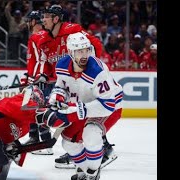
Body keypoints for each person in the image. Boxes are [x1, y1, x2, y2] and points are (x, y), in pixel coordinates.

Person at [37, 4, 116, 169]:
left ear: (56, 18)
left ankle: (103, 150)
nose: (42, 19)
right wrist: (45, 75)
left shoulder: (74, 31)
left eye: (46, 16)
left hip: (84, 78)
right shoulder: (44, 38)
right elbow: (50, 62)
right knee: (69, 113)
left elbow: (95, 47)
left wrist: (86, 70)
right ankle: (78, 149)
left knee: (86, 111)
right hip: (67, 78)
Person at [47, 32, 123, 180]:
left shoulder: (97, 71)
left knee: (91, 133)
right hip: (86, 105)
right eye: (79, 51)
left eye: (86, 50)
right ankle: (83, 170)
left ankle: (93, 173)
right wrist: (57, 97)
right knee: (68, 142)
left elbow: (108, 105)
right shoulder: (62, 65)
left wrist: (75, 109)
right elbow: (61, 86)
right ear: (70, 52)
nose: (84, 55)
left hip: (110, 107)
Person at [20, 10, 54, 155]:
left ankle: (46, 144)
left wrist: (36, 77)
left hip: (41, 79)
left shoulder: (37, 36)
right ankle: (34, 138)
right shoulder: (40, 35)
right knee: (32, 108)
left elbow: (42, 59)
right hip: (39, 77)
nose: (27, 23)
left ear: (34, 21)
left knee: (40, 109)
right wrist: (29, 76)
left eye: (29, 20)